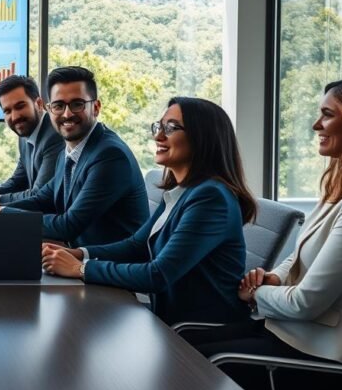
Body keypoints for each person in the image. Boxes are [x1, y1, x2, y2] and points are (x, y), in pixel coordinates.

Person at [183, 77, 342, 390]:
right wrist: (274, 277)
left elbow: (307, 303)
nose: (315, 124)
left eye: (327, 114)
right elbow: (299, 253)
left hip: (311, 359)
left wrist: (256, 293)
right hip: (284, 334)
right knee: (179, 343)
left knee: (183, 365)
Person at [43, 97, 254, 325]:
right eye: (159, 126)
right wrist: (80, 253)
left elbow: (157, 275)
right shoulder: (181, 189)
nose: (158, 136)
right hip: (167, 320)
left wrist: (80, 269)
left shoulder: (211, 199)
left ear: (202, 137)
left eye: (171, 128)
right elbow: (137, 245)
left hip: (199, 333)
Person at [0, 66, 148, 247]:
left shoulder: (109, 155)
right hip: (73, 256)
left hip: (107, 266)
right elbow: (43, 199)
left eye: (77, 104)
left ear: (95, 107)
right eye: (58, 105)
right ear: (49, 108)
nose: (67, 114)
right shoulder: (70, 149)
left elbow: (68, 225)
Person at [0, 75, 64, 206]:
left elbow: (40, 195)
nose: (14, 117)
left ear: (38, 104)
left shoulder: (54, 135)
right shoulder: (25, 133)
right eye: (7, 111)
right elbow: (19, 181)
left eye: (20, 106)